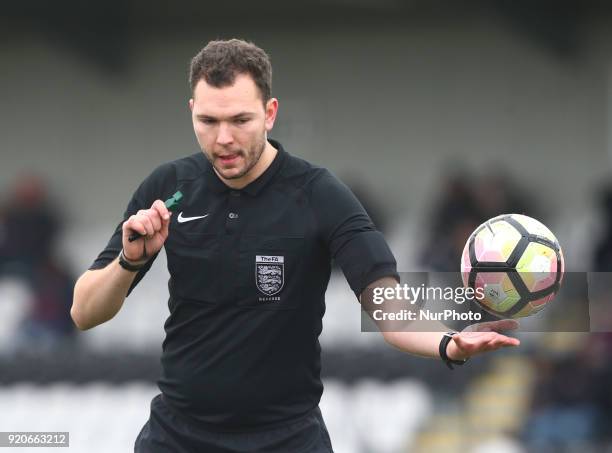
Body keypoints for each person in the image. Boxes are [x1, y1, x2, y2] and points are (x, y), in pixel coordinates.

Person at [70, 39, 520, 453]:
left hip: (285, 438)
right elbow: (84, 312)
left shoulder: (319, 194)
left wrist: (445, 342)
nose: (223, 137)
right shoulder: (169, 187)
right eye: (208, 121)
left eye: (240, 120)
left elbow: (386, 303)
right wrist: (131, 260)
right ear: (191, 111)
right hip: (177, 436)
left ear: (269, 113)